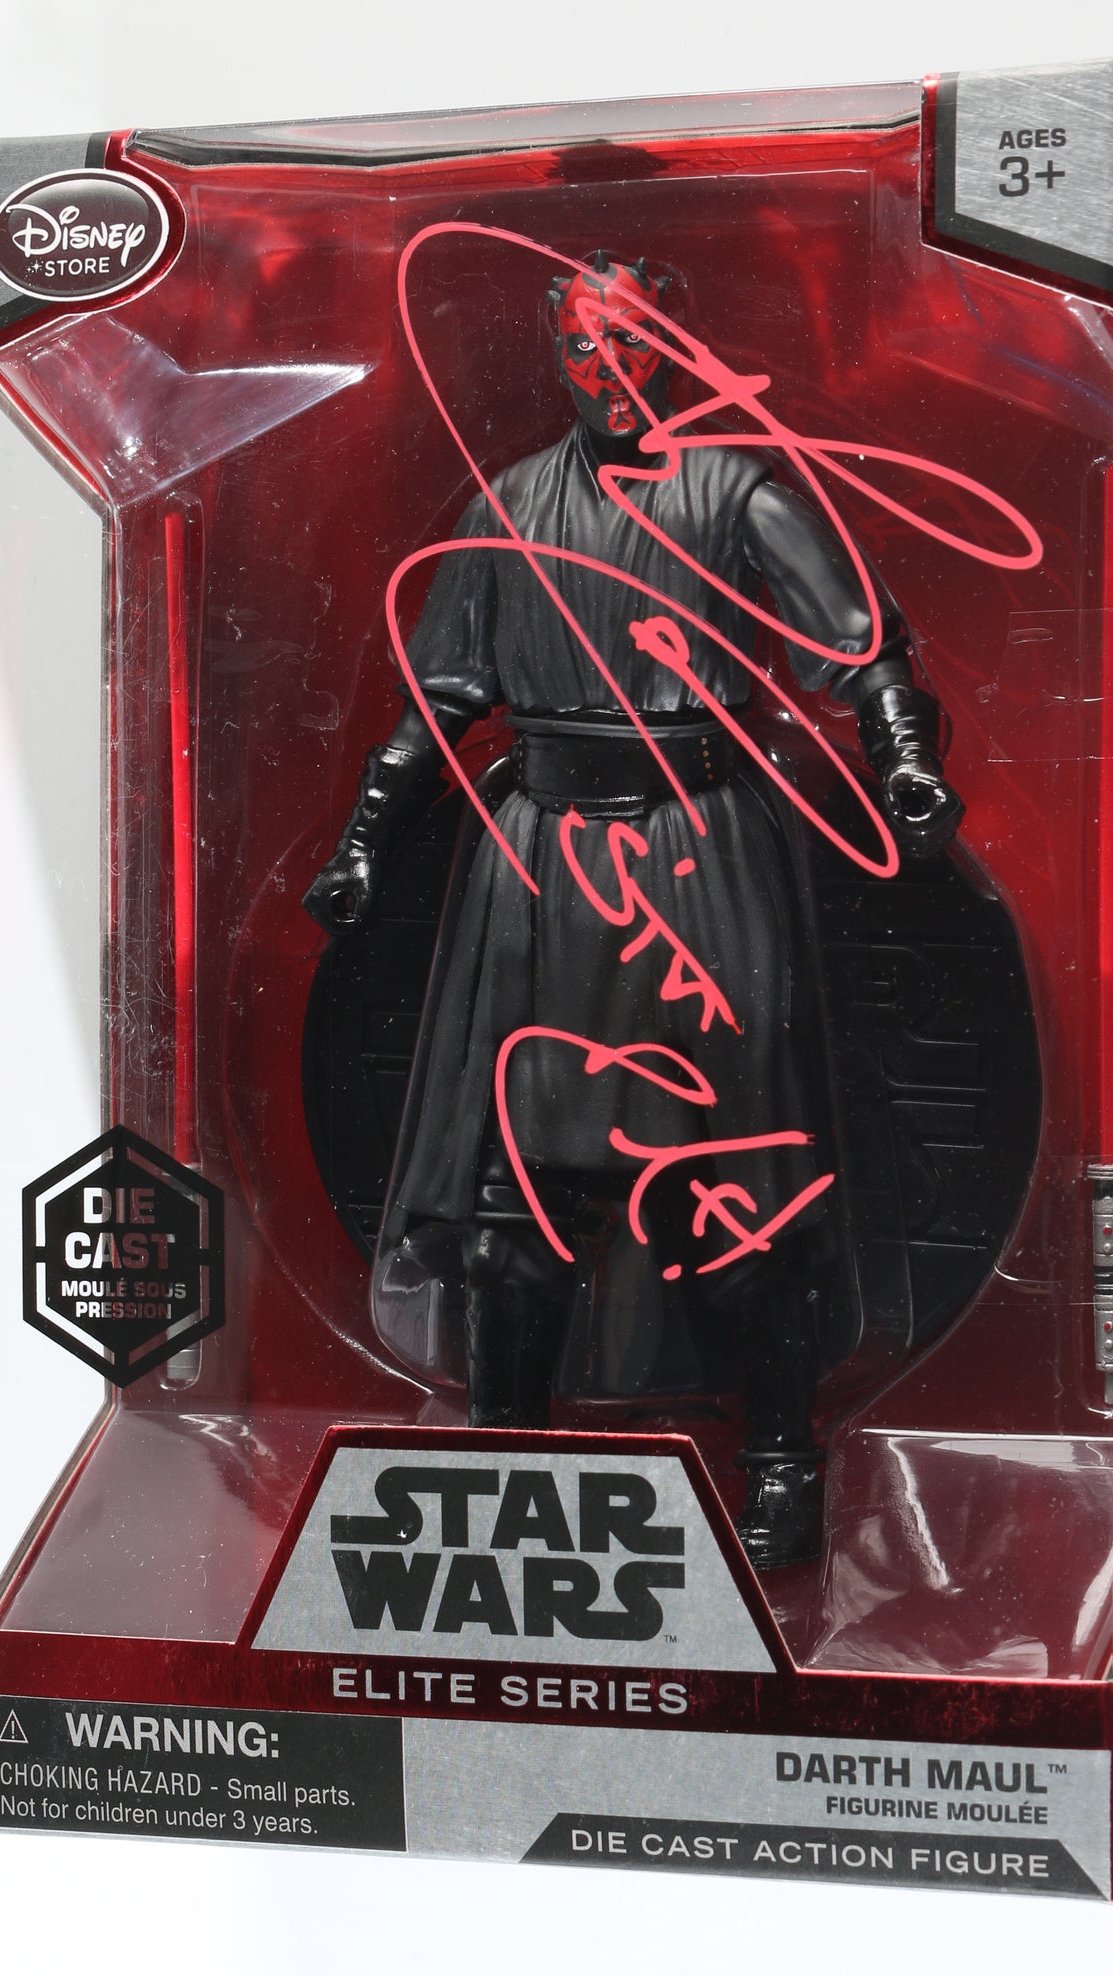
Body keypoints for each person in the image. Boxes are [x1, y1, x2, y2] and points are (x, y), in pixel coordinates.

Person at [305, 252, 961, 1567]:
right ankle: (502, 1459)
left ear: (672, 343)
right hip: (540, 858)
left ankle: (782, 1466)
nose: (608, 373)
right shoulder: (507, 504)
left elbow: (859, 645)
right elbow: (442, 693)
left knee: (742, 1177)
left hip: (699, 849)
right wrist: (366, 838)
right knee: (511, 1201)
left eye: (632, 344)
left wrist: (902, 762)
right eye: (582, 348)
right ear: (556, 354)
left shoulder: (737, 490)